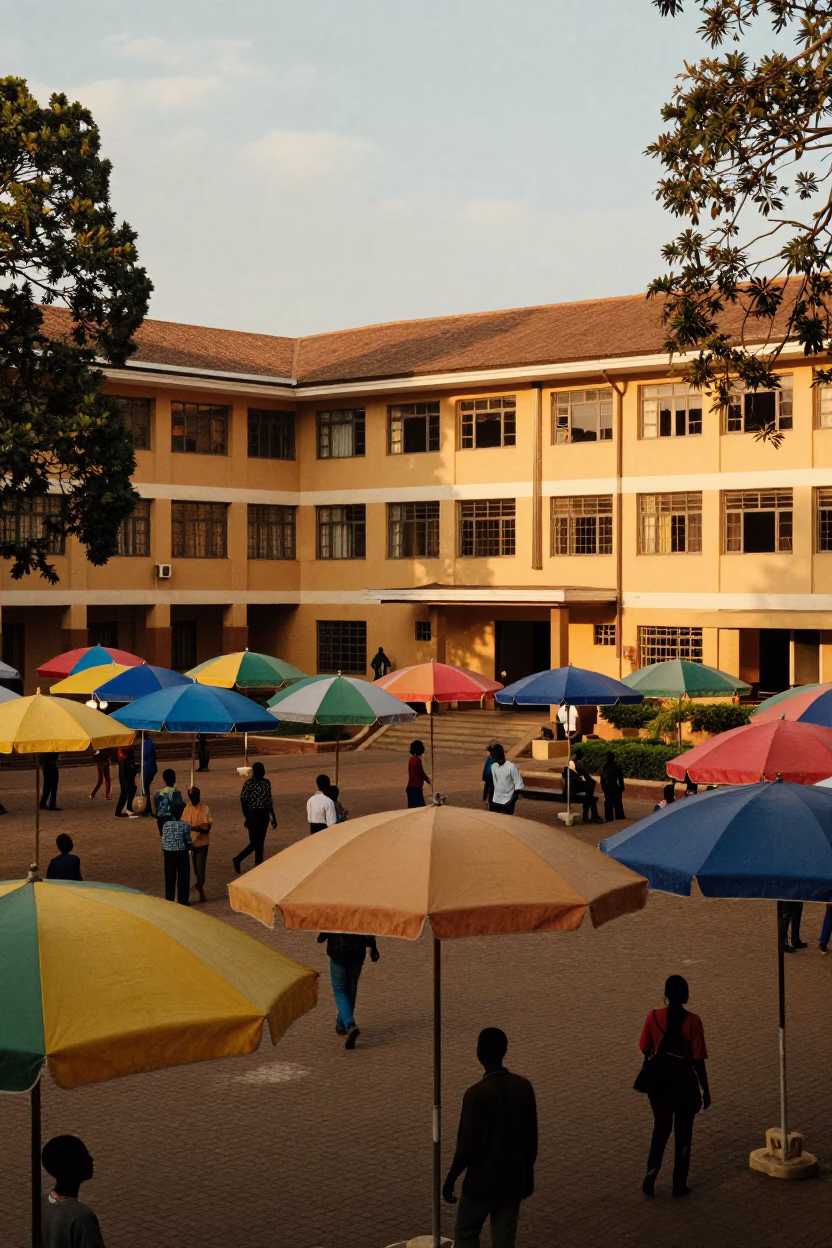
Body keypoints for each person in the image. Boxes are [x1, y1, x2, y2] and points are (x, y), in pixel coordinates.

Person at [443, 1027, 538, 1248]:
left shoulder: (475, 1094)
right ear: (505, 1050)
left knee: (466, 1232)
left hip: (480, 1183)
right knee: (504, 1238)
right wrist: (528, 1174)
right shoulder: (523, 1087)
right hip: (513, 1180)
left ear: (478, 1052)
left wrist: (450, 1179)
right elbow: (531, 1139)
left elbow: (465, 1148)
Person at [639, 974, 710, 1198]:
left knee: (661, 1127)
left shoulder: (653, 1017)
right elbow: (698, 1059)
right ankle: (679, 1184)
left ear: (666, 995)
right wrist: (705, 1089)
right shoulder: (693, 1022)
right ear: (686, 995)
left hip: (658, 1084)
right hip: (683, 1085)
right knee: (683, 1133)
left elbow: (644, 1047)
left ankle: (652, 1169)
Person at [317, 930, 380, 1049]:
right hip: (357, 954)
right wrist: (374, 947)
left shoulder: (336, 912)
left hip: (338, 953)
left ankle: (349, 1024)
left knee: (339, 990)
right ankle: (341, 1024)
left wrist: (323, 934)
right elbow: (370, 928)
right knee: (351, 988)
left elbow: (321, 936)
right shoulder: (363, 912)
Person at [41, 1134, 106, 1248]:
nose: (91, 1159)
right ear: (73, 1166)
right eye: (84, 1156)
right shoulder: (82, 1217)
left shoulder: (42, 1200)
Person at [233, 761, 277, 872]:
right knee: (256, 842)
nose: (262, 772)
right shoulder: (264, 783)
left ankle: (258, 862)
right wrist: (273, 817)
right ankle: (239, 858)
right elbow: (268, 802)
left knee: (259, 841)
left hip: (256, 814)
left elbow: (243, 800)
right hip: (259, 814)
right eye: (260, 770)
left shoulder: (250, 784)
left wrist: (246, 815)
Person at [182, 785, 212, 903]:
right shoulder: (186, 809)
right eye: (191, 797)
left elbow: (207, 827)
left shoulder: (205, 808)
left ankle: (199, 885)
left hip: (202, 843)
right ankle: (200, 889)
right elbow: (184, 825)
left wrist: (195, 828)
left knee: (201, 869)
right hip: (191, 843)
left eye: (195, 797)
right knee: (195, 868)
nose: (193, 800)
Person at [161, 798, 192, 904]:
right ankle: (183, 900)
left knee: (170, 876)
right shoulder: (185, 825)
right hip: (181, 853)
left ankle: (169, 898)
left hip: (168, 853)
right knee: (183, 877)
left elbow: (164, 839)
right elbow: (188, 841)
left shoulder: (166, 825)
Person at [563, 748, 601, 823]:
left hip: (575, 788)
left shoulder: (576, 765)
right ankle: (590, 816)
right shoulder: (570, 766)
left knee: (590, 794)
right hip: (571, 792)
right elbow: (576, 776)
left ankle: (588, 816)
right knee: (591, 797)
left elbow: (581, 774)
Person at [488, 744, 524, 814]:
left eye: (494, 757)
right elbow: (493, 784)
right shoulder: (493, 767)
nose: (493, 759)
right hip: (496, 801)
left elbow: (518, 786)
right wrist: (490, 801)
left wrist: (510, 802)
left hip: (507, 802)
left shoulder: (511, 767)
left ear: (499, 755)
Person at [154, 769, 183, 836]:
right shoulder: (178, 793)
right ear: (175, 779)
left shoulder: (158, 794)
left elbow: (157, 811)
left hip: (162, 821)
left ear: (164, 779)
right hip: (175, 821)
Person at [600, 751, 625, 821]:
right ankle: (619, 815)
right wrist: (622, 786)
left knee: (609, 802)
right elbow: (620, 777)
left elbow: (603, 779)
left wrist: (603, 787)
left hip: (608, 786)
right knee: (617, 801)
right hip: (614, 786)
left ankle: (609, 817)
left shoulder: (605, 767)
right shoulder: (616, 766)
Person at [114, 746, 138, 820]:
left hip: (126, 765)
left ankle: (128, 808)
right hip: (125, 765)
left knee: (131, 788)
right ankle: (120, 811)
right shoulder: (125, 747)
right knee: (126, 789)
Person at [406, 739, 430, 807]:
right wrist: (426, 779)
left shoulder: (412, 759)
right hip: (415, 788)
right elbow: (419, 772)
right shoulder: (417, 760)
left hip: (412, 788)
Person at [139, 735, 158, 817]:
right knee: (146, 788)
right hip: (149, 766)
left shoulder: (148, 743)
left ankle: (148, 808)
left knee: (145, 788)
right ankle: (148, 807)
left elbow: (147, 754)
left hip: (148, 766)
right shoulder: (148, 742)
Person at [482, 739, 498, 805]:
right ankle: (489, 800)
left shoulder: (491, 758)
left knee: (490, 789)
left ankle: (489, 800)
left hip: (490, 776)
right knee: (489, 788)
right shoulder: (491, 758)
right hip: (490, 776)